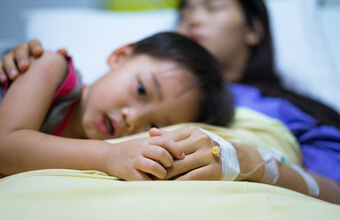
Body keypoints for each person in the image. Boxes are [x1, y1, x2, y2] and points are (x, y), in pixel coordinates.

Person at [1, 0, 340, 207]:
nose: (192, 20)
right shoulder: (54, 69)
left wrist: (248, 162)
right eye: (184, 12)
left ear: (253, 28)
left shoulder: (285, 110)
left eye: (212, 6)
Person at [0, 32, 234, 181]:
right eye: (141, 90)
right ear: (121, 56)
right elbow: (5, 146)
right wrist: (108, 155)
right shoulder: (51, 66)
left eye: (153, 125)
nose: (132, 119)